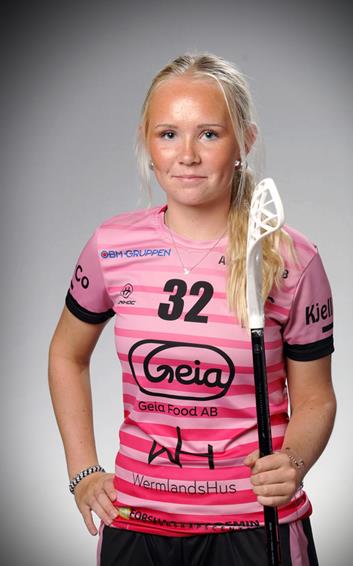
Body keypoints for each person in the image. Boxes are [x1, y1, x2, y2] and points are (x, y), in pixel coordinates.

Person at [48, 53, 336, 566]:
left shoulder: (289, 258)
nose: (187, 155)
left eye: (208, 134)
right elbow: (66, 356)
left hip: (254, 524)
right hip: (136, 523)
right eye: (168, 134)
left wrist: (293, 461)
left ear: (244, 141)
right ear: (147, 142)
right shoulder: (111, 246)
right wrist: (83, 471)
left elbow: (315, 399)